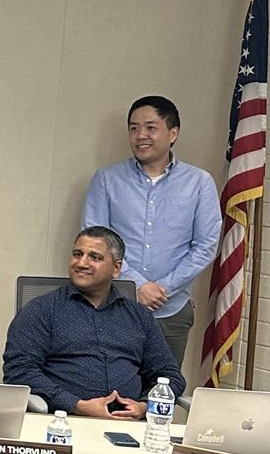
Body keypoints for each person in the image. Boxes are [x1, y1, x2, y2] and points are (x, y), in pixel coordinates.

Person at [83, 95, 219, 369]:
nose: (140, 135)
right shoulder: (107, 179)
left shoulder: (199, 183)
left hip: (171, 309)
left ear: (173, 133)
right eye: (133, 128)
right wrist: (137, 286)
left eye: (150, 127)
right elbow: (95, 239)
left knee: (162, 390)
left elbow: (206, 245)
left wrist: (163, 288)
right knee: (109, 386)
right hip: (115, 304)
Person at [3, 226, 186, 418]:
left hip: (131, 426)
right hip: (64, 422)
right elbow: (19, 370)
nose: (81, 263)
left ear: (116, 268)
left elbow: (170, 375)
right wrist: (75, 404)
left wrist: (144, 406)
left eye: (94, 257)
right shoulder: (42, 310)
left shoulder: (139, 317)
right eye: (77, 254)